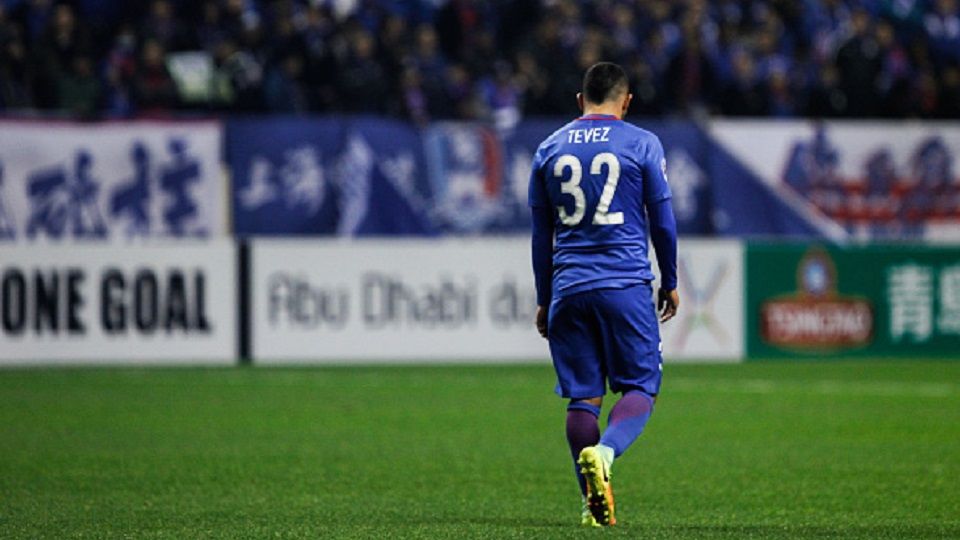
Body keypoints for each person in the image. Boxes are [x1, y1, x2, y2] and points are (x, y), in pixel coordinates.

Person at [528, 61, 679, 527]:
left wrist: (544, 296)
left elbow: (541, 234)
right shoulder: (641, 144)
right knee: (639, 389)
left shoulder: (548, 148)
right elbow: (663, 222)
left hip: (569, 288)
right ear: (626, 100)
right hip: (624, 284)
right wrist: (669, 280)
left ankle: (593, 505)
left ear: (580, 100)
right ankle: (607, 454)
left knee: (583, 400)